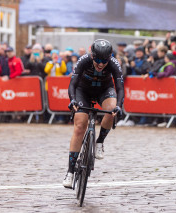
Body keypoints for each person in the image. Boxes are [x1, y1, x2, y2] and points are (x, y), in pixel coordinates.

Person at [63, 39, 124, 188]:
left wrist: (119, 106)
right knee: (79, 126)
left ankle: (100, 141)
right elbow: (72, 84)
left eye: (104, 61)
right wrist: (72, 100)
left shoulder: (114, 64)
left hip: (104, 90)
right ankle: (70, 173)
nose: (101, 64)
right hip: (83, 90)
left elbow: (120, 88)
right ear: (92, 55)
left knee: (111, 109)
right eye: (97, 60)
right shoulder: (83, 61)